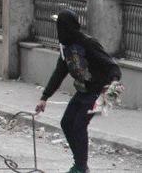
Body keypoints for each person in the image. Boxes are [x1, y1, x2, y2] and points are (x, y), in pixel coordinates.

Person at [35, 9, 121, 173]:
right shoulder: (65, 48)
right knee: (67, 123)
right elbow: (59, 73)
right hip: (83, 91)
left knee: (79, 126)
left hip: (99, 91)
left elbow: (112, 66)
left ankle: (81, 167)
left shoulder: (88, 44)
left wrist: (113, 85)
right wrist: (44, 97)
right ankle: (80, 164)